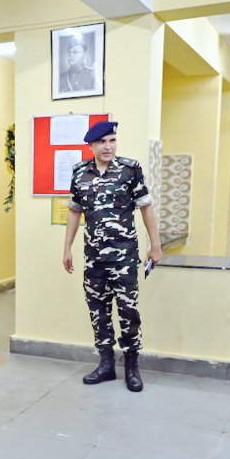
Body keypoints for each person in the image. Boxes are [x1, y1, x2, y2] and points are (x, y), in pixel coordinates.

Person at [62, 121, 163, 392]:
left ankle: (132, 366)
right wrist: (67, 248)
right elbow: (74, 211)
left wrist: (155, 244)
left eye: (112, 140)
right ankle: (106, 364)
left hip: (124, 256)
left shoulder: (130, 170)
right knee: (99, 311)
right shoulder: (79, 172)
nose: (108, 146)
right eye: (102, 142)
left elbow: (146, 208)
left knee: (128, 311)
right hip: (94, 256)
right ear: (91, 145)